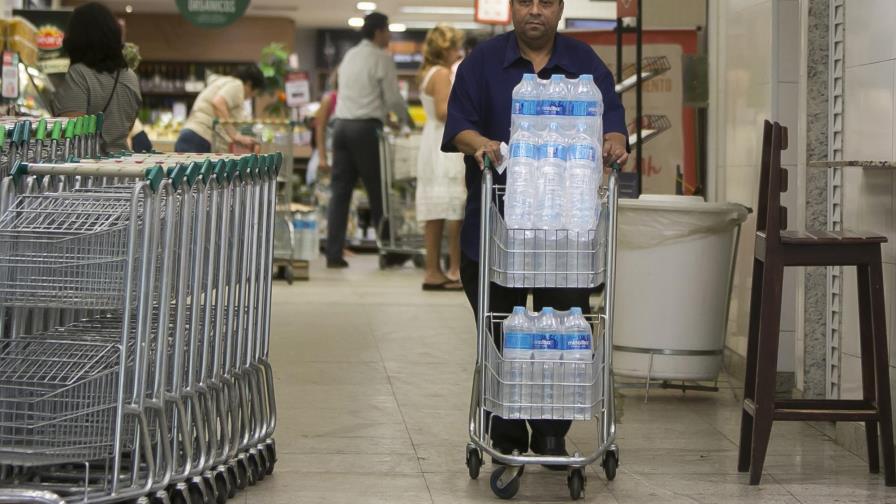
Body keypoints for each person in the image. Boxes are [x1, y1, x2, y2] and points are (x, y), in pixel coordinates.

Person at [443, 0, 629, 465]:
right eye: (525, 1)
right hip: (495, 231)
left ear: (560, 8)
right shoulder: (481, 63)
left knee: (562, 334)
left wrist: (613, 143)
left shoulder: (585, 64)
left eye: (546, 2)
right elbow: (459, 127)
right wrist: (481, 144)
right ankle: (505, 435)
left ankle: (551, 434)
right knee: (502, 334)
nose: (535, 11)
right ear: (511, 7)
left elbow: (615, 126)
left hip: (567, 239)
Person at [326, 12, 411, 269]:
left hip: (340, 127)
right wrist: (409, 121)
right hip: (365, 131)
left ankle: (332, 254)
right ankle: (387, 252)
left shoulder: (349, 55)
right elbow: (394, 98)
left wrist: (385, 117)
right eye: (388, 31)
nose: (389, 37)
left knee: (340, 193)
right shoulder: (381, 57)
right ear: (378, 32)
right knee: (378, 190)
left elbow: (359, 94)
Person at [53, 2, 141, 155]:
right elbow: (128, 127)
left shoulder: (79, 74)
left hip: (87, 172)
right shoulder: (131, 77)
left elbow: (71, 133)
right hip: (121, 167)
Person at [415, 25, 466, 291]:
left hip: (431, 142)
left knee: (435, 211)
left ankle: (433, 269)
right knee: (454, 210)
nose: (458, 53)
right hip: (443, 147)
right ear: (445, 49)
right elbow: (443, 111)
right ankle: (454, 269)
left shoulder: (427, 72)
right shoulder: (443, 73)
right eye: (456, 47)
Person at [174, 65, 264, 153]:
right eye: (253, 93)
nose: (249, 97)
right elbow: (218, 103)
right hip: (199, 137)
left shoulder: (224, 82)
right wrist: (235, 135)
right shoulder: (237, 84)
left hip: (193, 135)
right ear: (249, 84)